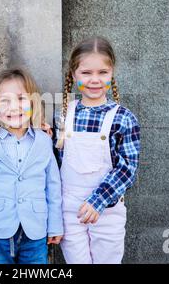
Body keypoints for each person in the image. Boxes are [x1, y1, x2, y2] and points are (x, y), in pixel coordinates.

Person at [55, 37, 141, 264]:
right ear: (74, 75)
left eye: (102, 72)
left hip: (107, 212)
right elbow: (55, 161)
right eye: (86, 73)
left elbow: (127, 169)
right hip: (69, 211)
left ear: (112, 73)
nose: (95, 80)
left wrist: (98, 201)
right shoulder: (63, 115)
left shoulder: (123, 118)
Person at [0, 69, 63, 264]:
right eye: (4, 101)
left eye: (21, 99)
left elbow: (53, 187)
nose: (13, 107)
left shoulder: (44, 141)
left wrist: (55, 225)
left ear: (33, 102)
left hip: (35, 232)